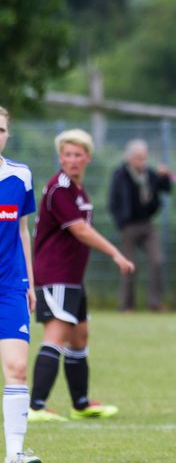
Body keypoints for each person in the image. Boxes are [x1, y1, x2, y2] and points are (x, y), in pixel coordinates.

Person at [27, 129, 135, 423]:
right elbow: (80, 230)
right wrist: (115, 253)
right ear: (60, 157)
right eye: (67, 154)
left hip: (72, 278)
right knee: (56, 336)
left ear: (87, 157)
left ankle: (81, 403)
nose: (72, 160)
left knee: (80, 337)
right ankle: (36, 406)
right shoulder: (59, 188)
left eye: (78, 154)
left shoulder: (77, 188)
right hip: (55, 275)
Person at [0, 107, 40, 463]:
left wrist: (29, 281)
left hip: (10, 287)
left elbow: (23, 232)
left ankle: (14, 455)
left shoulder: (19, 176)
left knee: (16, 367)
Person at [109, 139, 173, 312]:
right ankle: (127, 306)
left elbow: (166, 189)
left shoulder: (150, 174)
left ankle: (155, 303)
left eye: (144, 158)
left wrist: (165, 176)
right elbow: (113, 202)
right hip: (128, 226)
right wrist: (121, 223)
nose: (143, 162)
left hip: (147, 225)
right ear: (129, 158)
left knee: (157, 261)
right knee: (129, 266)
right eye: (139, 158)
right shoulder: (120, 175)